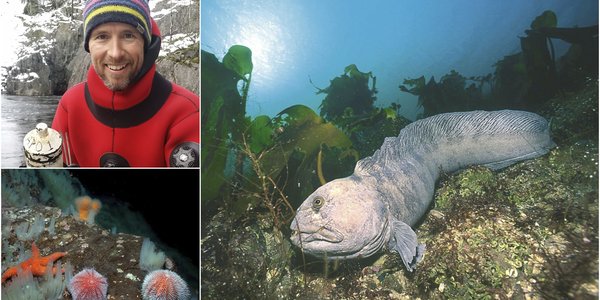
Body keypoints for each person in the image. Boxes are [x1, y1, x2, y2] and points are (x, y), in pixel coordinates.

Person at [52, 0, 199, 167]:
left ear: (146, 43)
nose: (115, 53)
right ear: (89, 45)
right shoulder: (70, 105)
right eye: (102, 36)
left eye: (128, 35)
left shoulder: (187, 114)